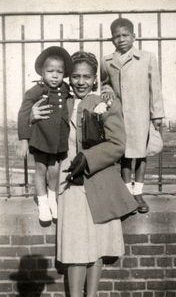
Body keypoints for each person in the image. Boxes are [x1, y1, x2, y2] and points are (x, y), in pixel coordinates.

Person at [30, 51, 138, 297]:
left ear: (95, 79)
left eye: (87, 77)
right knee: (75, 245)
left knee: (97, 245)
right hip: (69, 184)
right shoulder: (59, 101)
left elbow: (117, 144)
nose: (80, 82)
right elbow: (38, 127)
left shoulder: (108, 103)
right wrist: (31, 117)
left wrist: (88, 158)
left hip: (98, 182)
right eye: (76, 76)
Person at [101, 18, 165, 213]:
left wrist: (157, 115)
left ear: (134, 37)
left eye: (125, 35)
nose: (121, 40)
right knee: (125, 155)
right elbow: (104, 83)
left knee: (141, 154)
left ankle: (138, 192)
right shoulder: (107, 61)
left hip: (140, 115)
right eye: (116, 36)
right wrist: (106, 89)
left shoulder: (146, 57)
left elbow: (155, 87)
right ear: (112, 39)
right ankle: (127, 194)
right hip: (119, 116)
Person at [16, 46, 73, 222]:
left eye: (59, 72)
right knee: (41, 169)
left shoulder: (65, 88)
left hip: (58, 139)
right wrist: (24, 140)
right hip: (41, 138)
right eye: (50, 71)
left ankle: (52, 199)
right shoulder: (37, 90)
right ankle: (42, 204)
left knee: (54, 171)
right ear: (42, 72)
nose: (55, 75)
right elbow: (23, 113)